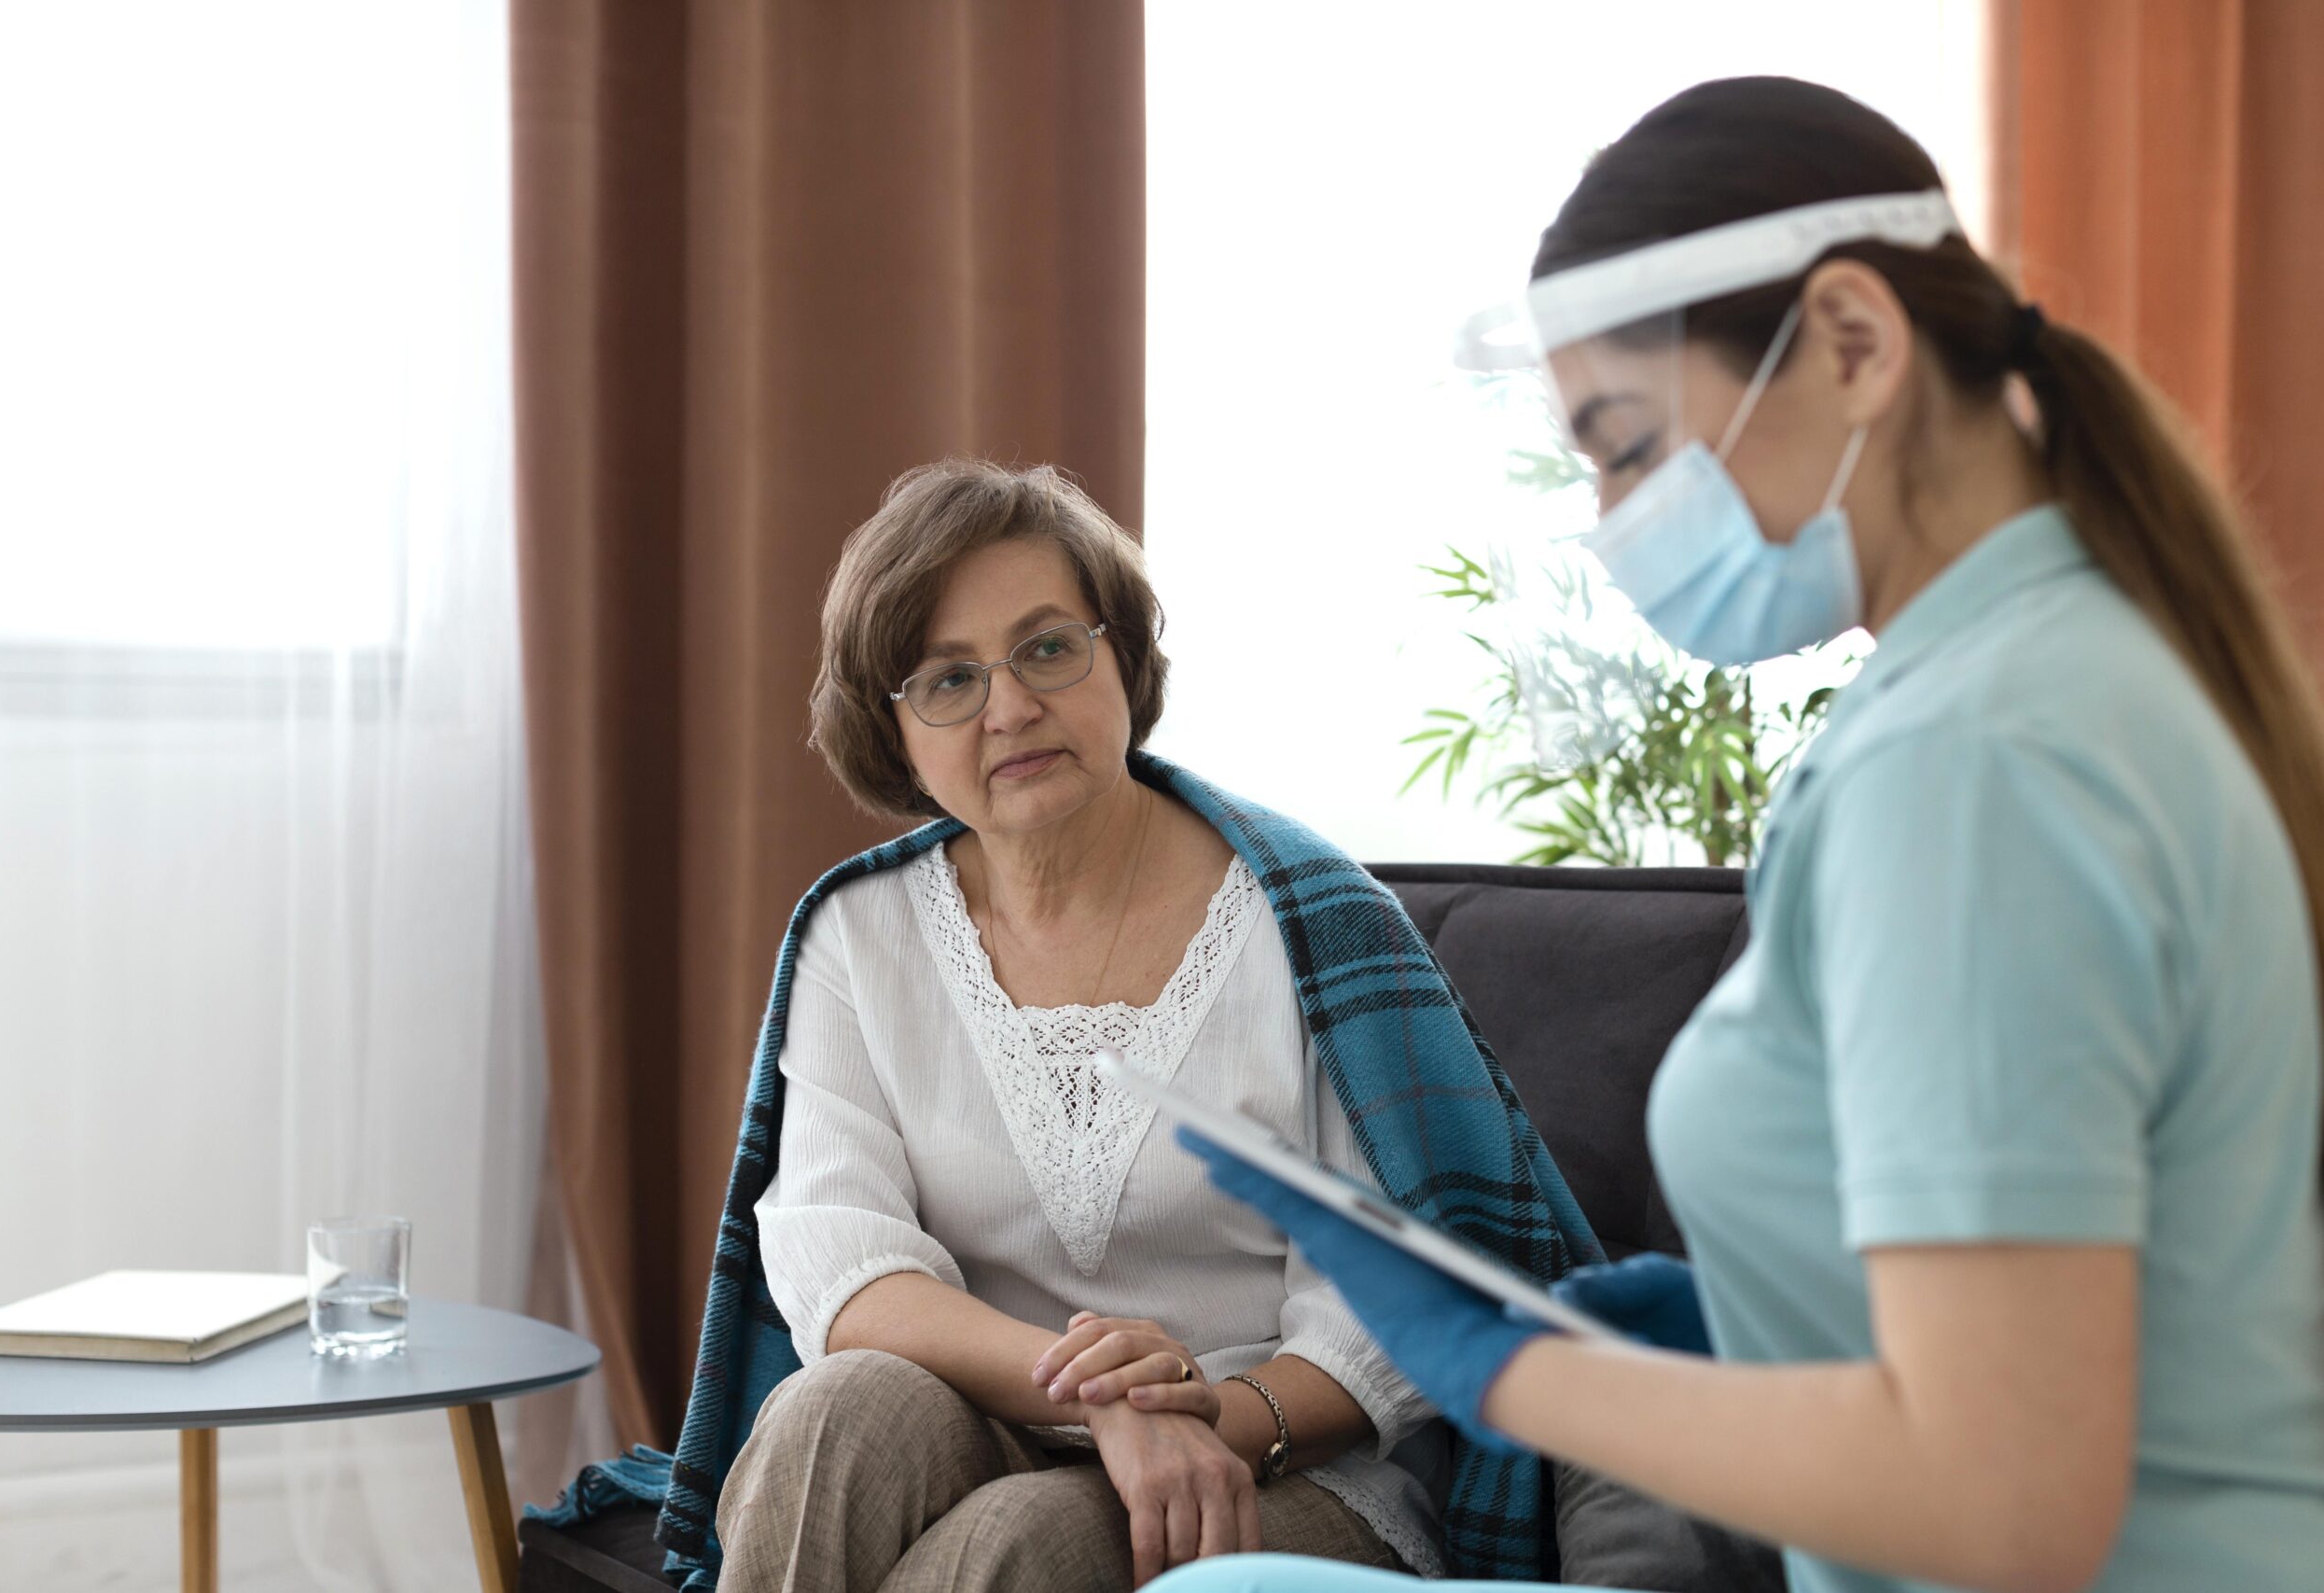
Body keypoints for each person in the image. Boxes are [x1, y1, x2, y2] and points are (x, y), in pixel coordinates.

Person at [1161, 76, 2324, 1593]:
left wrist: (1517, 1377)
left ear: (1852, 341)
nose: (1612, 519)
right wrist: (1762, 1333)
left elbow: (2010, 1506)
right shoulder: (2060, 677)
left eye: (1629, 447)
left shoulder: (1975, 763)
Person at [531, 457, 1605, 1592]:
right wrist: (1095, 1394)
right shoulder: (858, 935)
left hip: (1287, 1455)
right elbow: (841, 1263)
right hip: (1003, 1404)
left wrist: (1207, 1423)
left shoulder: (1311, 925)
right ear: (893, 732)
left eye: (1048, 647)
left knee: (1018, 1551)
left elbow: (1389, 1305)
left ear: (1122, 659)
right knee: (826, 1417)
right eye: (948, 680)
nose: (1010, 707)